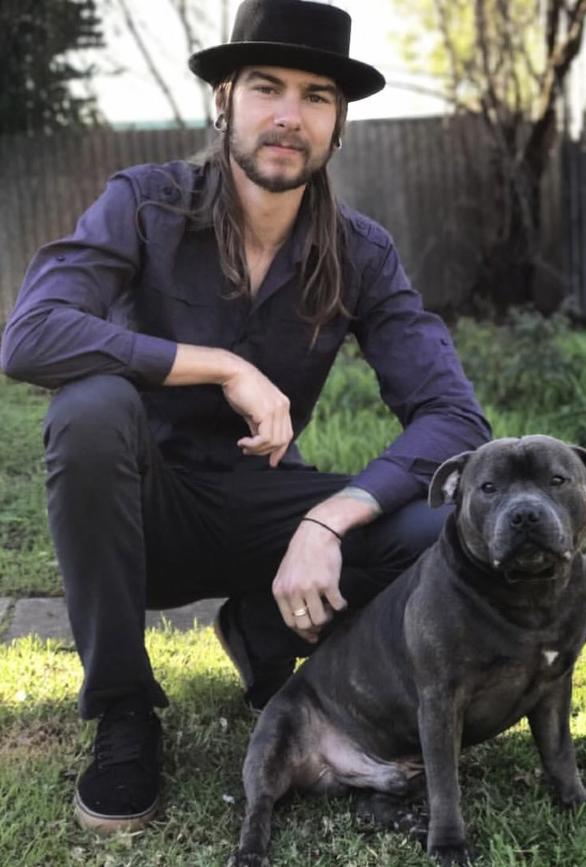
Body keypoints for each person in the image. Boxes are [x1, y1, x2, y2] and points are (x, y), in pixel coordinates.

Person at [0, 0, 490, 836]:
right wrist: (222, 364)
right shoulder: (146, 205)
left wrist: (331, 520)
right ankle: (122, 711)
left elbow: (455, 417)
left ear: (339, 125)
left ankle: (262, 627)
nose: (289, 116)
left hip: (265, 505)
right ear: (223, 100)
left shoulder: (360, 252)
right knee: (89, 407)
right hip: (140, 516)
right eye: (267, 88)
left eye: (316, 96)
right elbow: (30, 334)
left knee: (438, 525)